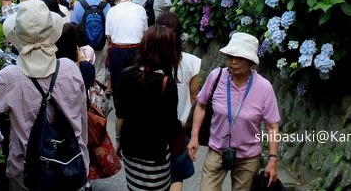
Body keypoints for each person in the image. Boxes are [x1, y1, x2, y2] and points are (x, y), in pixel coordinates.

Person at [0, 0, 89, 191]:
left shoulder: (10, 77)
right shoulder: (70, 68)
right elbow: (82, 121)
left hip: (28, 176)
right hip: (71, 169)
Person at [187, 32, 281, 191]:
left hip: (248, 157)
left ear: (251, 61)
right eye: (230, 56)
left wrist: (272, 159)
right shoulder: (216, 77)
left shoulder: (264, 88)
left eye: (240, 58)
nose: (233, 62)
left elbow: (272, 126)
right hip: (216, 151)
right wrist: (194, 137)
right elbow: (201, 105)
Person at [115, 25, 181, 191]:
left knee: (134, 187)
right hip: (156, 152)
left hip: (130, 147)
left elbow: (120, 114)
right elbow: (172, 124)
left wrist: (118, 140)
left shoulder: (126, 74)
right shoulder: (167, 82)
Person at [158, 12, 201, 191]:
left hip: (155, 127)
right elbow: (194, 98)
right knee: (176, 174)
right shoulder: (192, 62)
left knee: (156, 173)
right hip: (180, 126)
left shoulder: (150, 62)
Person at [105, 0, 148, 109]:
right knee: (137, 83)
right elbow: (145, 32)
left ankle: (120, 113)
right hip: (137, 50)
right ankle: (136, 110)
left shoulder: (112, 11)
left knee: (118, 83)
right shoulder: (140, 9)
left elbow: (109, 36)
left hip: (117, 50)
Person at [70, 0, 111, 87]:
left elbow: (73, 24)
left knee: (85, 70)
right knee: (100, 70)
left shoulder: (80, 5)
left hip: (84, 44)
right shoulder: (105, 6)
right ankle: (99, 98)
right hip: (101, 44)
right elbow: (109, 26)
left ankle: (88, 96)